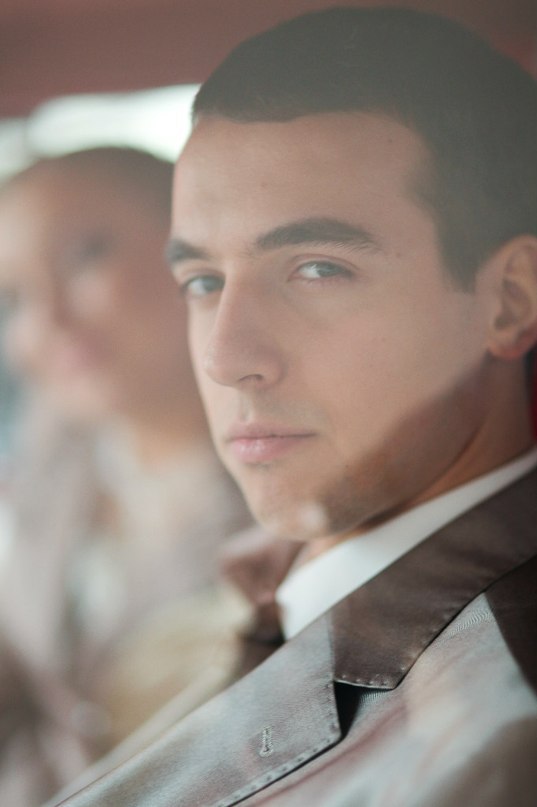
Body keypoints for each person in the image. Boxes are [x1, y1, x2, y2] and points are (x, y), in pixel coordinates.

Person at [55, 7, 537, 806]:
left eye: (317, 269)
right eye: (202, 281)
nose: (223, 358)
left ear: (510, 299)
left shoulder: (490, 752)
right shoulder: (273, 583)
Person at [0, 148, 251, 806]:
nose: (48, 319)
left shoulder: (291, 486)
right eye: (13, 296)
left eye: (83, 256)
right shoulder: (51, 455)